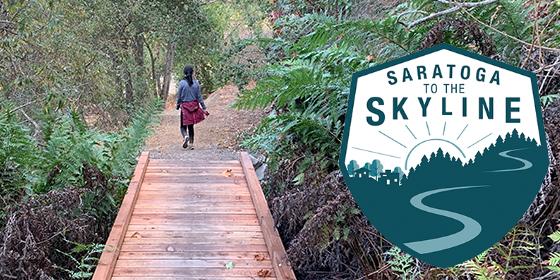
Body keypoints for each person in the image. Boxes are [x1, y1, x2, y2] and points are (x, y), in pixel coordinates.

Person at [176, 65, 209, 149]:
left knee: (183, 125)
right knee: (191, 126)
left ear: (184, 73)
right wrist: (204, 108)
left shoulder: (182, 83)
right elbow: (199, 97)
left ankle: (185, 136)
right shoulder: (196, 83)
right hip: (194, 106)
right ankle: (191, 144)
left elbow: (179, 96)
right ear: (193, 72)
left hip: (185, 107)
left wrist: (177, 105)